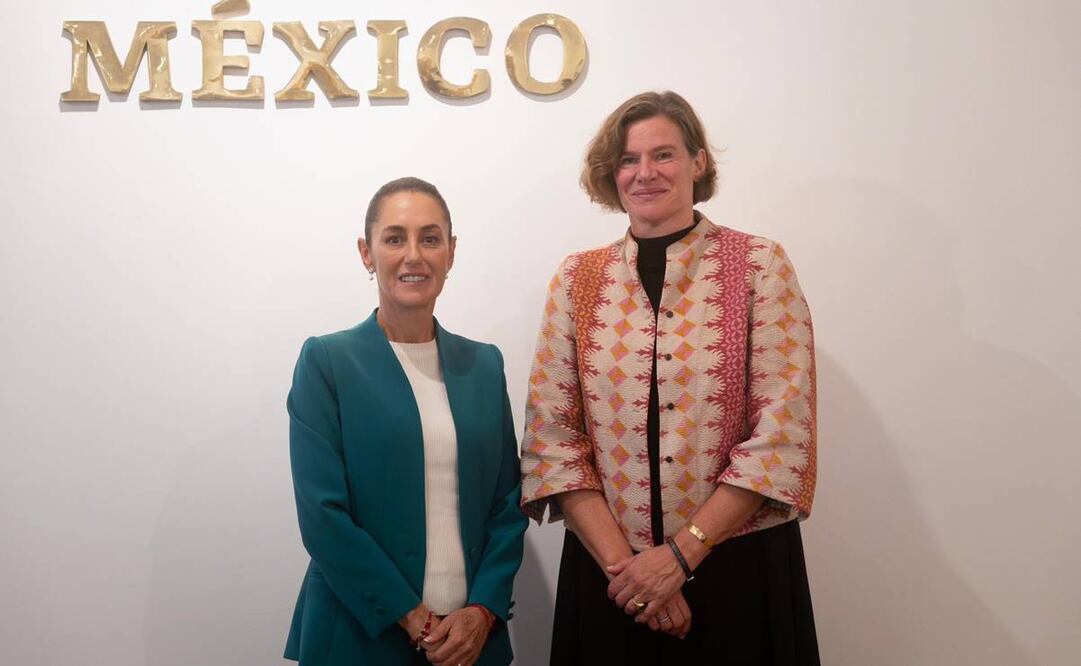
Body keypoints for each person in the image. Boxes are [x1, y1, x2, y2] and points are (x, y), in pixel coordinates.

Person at [520, 91, 820, 664]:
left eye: (663, 155)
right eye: (629, 160)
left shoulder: (758, 265)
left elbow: (781, 437)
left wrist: (679, 557)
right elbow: (552, 442)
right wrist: (634, 575)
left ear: (698, 162)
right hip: (610, 574)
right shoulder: (577, 280)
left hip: (736, 567)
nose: (644, 173)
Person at [284, 177, 527, 666]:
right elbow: (323, 515)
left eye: (430, 238)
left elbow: (506, 503)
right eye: (394, 238)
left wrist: (481, 611)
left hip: (472, 642)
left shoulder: (484, 364)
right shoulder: (328, 361)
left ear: (451, 252)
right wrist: (417, 620)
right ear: (366, 253)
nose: (413, 254)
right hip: (360, 638)